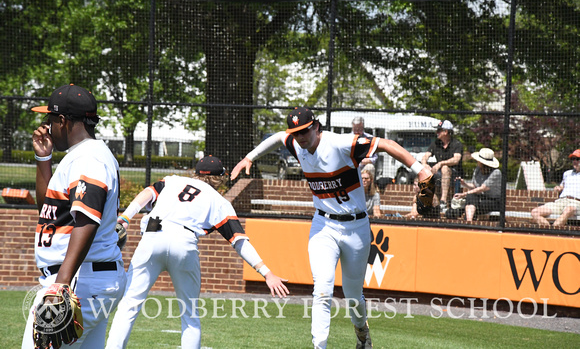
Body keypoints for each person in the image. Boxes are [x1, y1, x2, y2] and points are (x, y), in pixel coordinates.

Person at [231, 107, 433, 349]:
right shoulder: (297, 144)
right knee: (323, 289)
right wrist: (250, 157)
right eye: (296, 133)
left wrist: (419, 170)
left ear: (316, 127)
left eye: (305, 131)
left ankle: (362, 334)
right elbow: (277, 137)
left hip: (357, 226)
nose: (301, 137)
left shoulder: (340, 143)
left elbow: (385, 143)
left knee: (353, 295)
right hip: (323, 225)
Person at [106, 155, 289, 349]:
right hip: (184, 242)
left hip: (152, 236)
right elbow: (239, 241)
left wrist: (125, 217)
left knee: (128, 306)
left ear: (196, 173)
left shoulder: (173, 180)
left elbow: (148, 193)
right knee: (190, 315)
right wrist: (266, 273)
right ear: (219, 178)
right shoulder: (219, 201)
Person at [23, 84, 127, 348]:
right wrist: (42, 158)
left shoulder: (89, 158)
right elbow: (49, 211)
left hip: (80, 280)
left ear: (63, 121)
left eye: (50, 119)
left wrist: (61, 285)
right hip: (88, 279)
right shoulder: (83, 156)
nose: (45, 126)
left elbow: (87, 220)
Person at [448, 148, 502, 222]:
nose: (477, 161)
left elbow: (483, 188)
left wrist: (464, 194)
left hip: (494, 201)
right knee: (471, 198)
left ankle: (468, 221)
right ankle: (469, 221)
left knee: (470, 201)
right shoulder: (477, 170)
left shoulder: (496, 172)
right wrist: (464, 184)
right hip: (479, 199)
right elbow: (475, 186)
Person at [421, 120, 464, 212]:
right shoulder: (436, 143)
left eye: (439, 130)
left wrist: (441, 163)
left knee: (444, 168)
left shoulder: (456, 144)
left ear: (446, 132)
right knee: (425, 171)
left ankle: (443, 201)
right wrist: (425, 165)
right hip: (440, 174)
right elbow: (425, 156)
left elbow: (456, 160)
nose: (437, 133)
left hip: (455, 174)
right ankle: (426, 203)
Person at [531, 149, 580, 226]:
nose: (574, 161)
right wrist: (558, 188)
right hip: (560, 202)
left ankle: (554, 230)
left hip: (576, 203)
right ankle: (549, 232)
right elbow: (562, 186)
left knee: (569, 210)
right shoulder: (567, 173)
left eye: (577, 159)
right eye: (573, 159)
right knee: (535, 212)